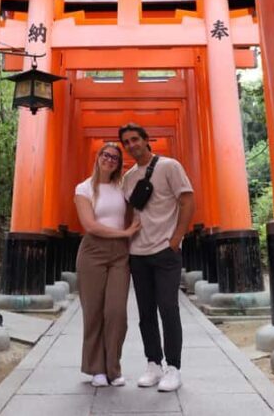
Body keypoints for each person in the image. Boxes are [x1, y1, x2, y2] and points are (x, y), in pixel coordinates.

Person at [119, 123, 195, 392]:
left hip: (165, 250)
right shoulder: (128, 177)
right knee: (145, 312)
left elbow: (187, 200)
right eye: (126, 142)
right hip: (138, 253)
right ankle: (153, 363)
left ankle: (174, 368)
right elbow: (129, 213)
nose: (131, 145)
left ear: (146, 140)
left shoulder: (169, 166)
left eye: (135, 139)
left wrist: (176, 239)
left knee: (168, 308)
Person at [74, 143, 141, 387]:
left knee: (116, 313)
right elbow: (90, 226)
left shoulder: (122, 187)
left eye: (114, 157)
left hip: (119, 255)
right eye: (106, 155)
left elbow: (139, 207)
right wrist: (125, 234)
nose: (109, 160)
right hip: (92, 251)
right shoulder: (83, 188)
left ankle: (113, 367)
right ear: (98, 157)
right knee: (93, 313)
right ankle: (96, 369)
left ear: (119, 163)